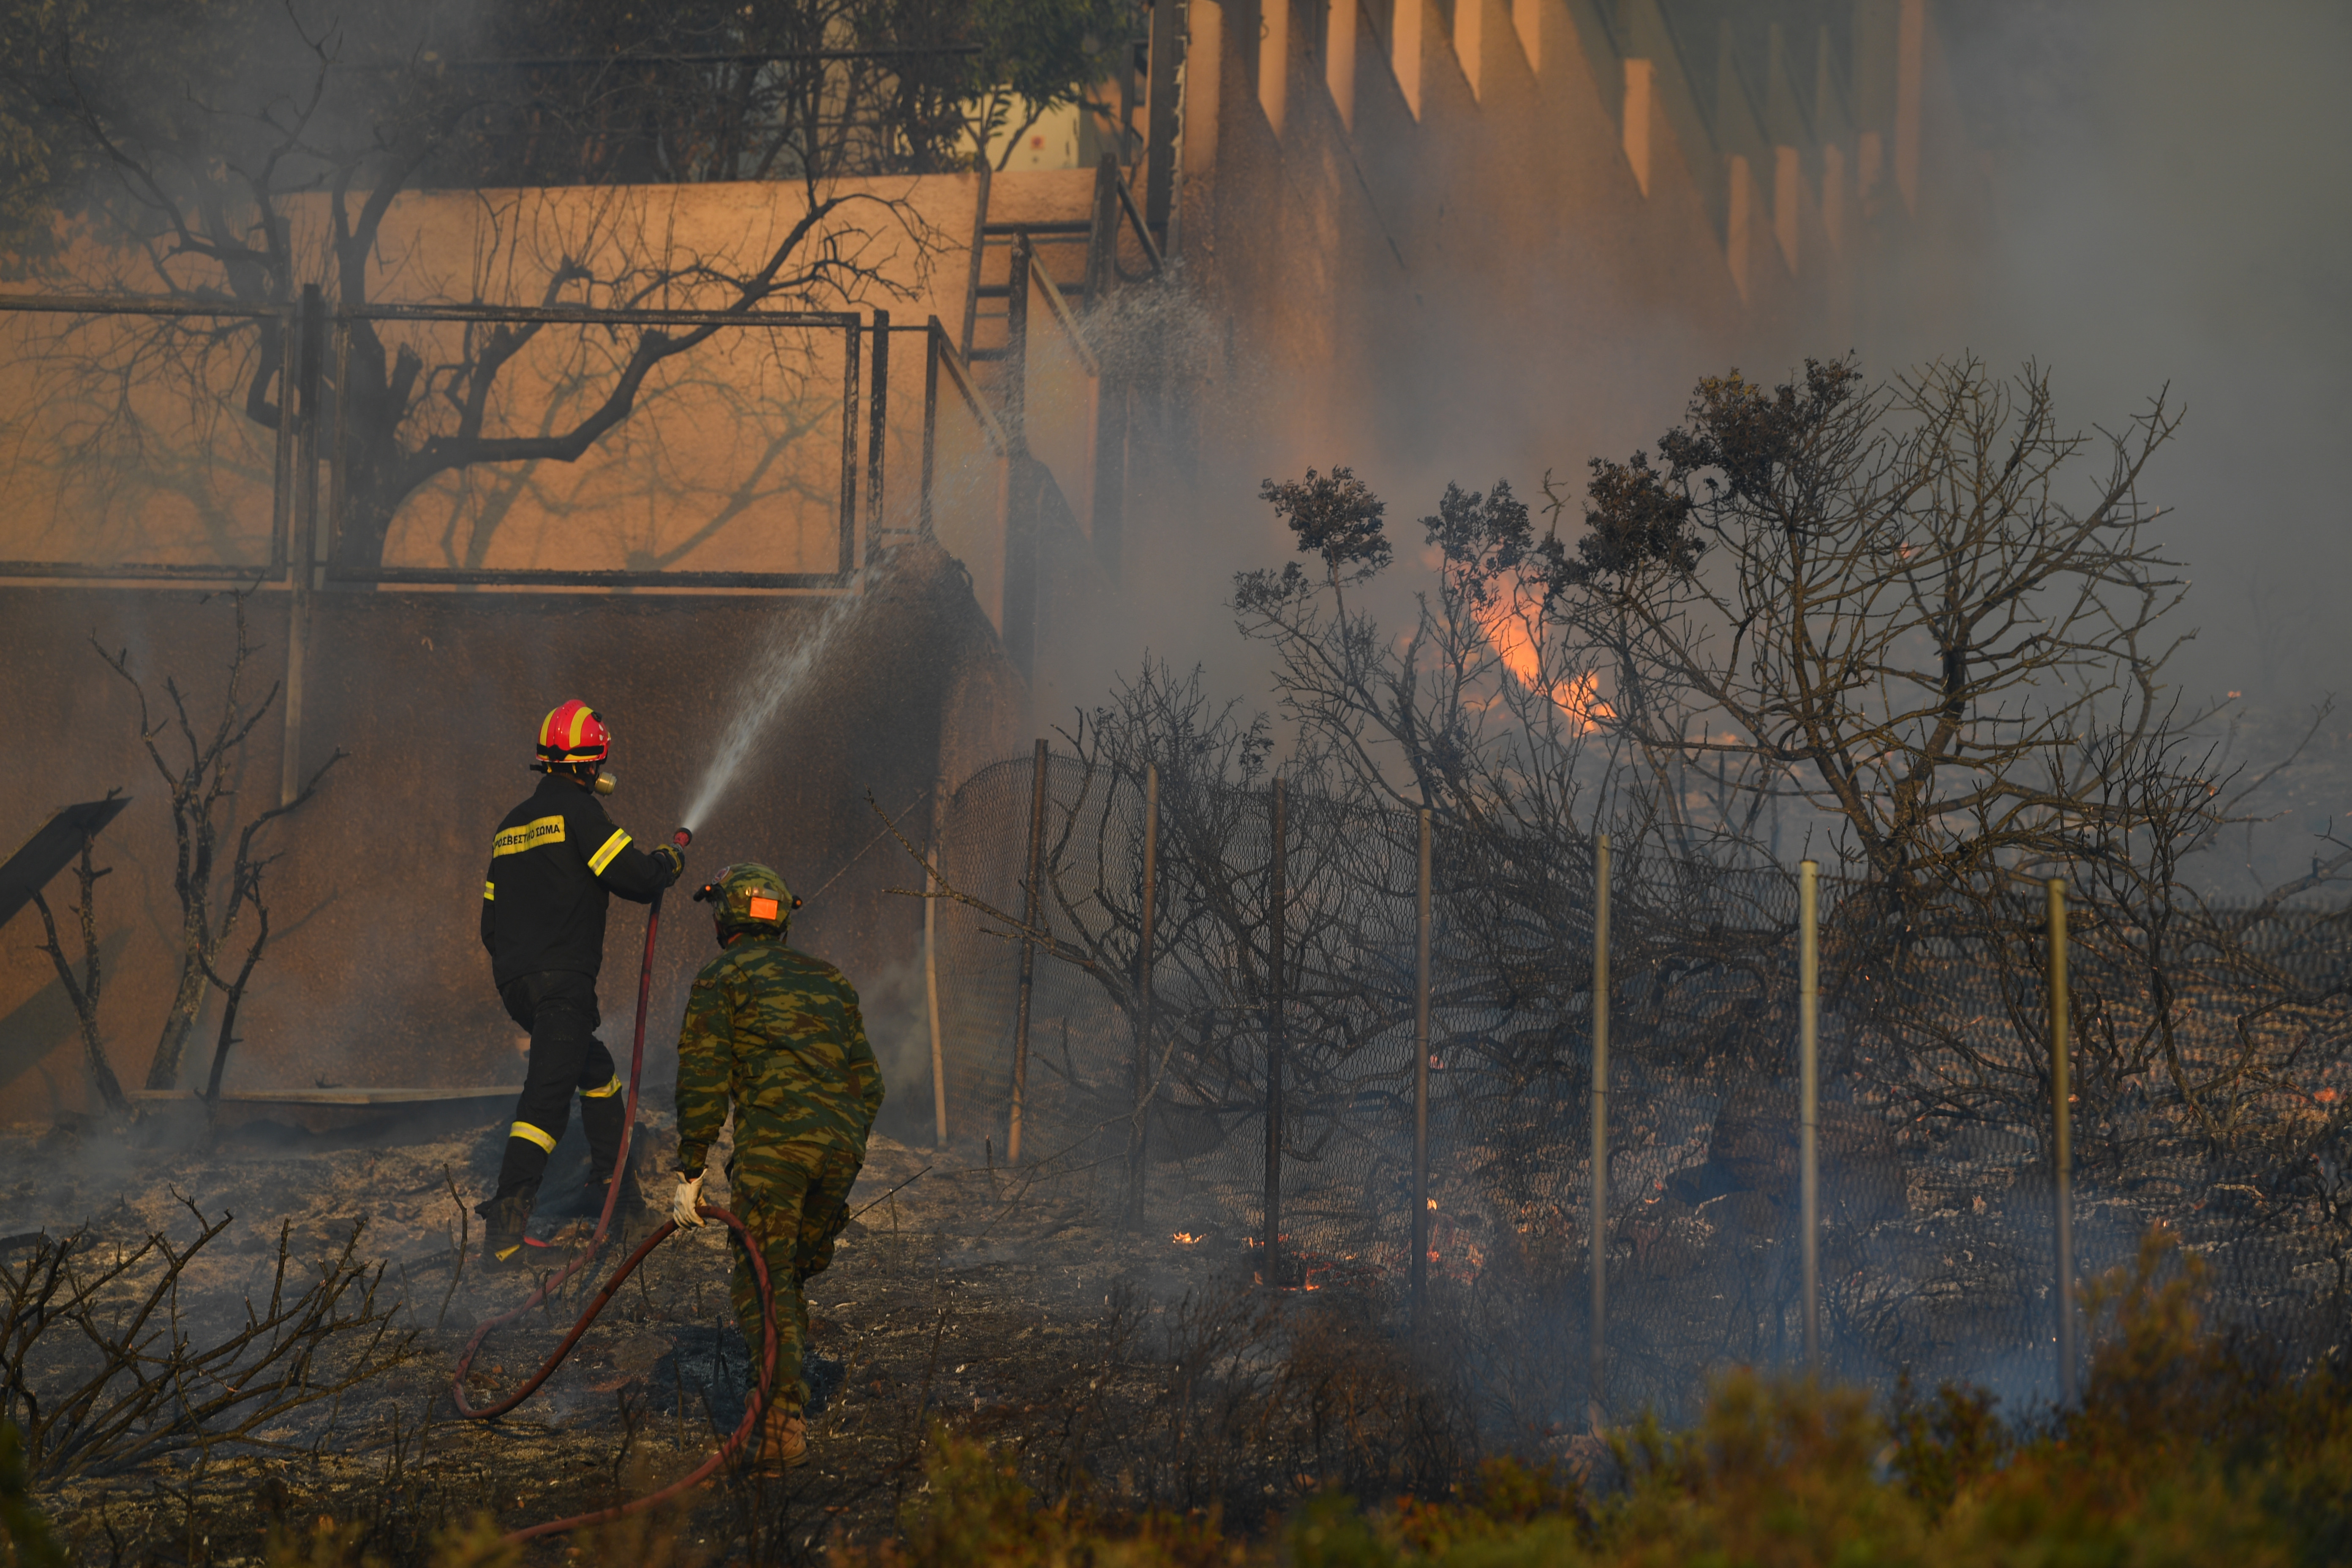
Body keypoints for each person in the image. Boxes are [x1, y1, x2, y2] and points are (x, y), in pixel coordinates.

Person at [669, 862, 884, 1474]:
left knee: (763, 1281)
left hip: (775, 1157)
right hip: (840, 1150)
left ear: (725, 918)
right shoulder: (831, 981)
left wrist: (690, 1171)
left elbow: (703, 1077)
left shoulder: (722, 977)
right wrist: (843, 1147)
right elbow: (871, 1085)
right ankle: (785, 1387)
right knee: (789, 1273)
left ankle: (780, 1423)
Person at [477, 700, 684, 1266]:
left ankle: (613, 1191)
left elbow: (489, 926)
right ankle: (505, 1236)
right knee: (545, 1102)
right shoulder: (580, 813)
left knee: (595, 1072)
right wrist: (668, 861)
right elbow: (637, 880)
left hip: (518, 985)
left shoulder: (509, 828)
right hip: (563, 986)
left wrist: (528, 966)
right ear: (592, 765)